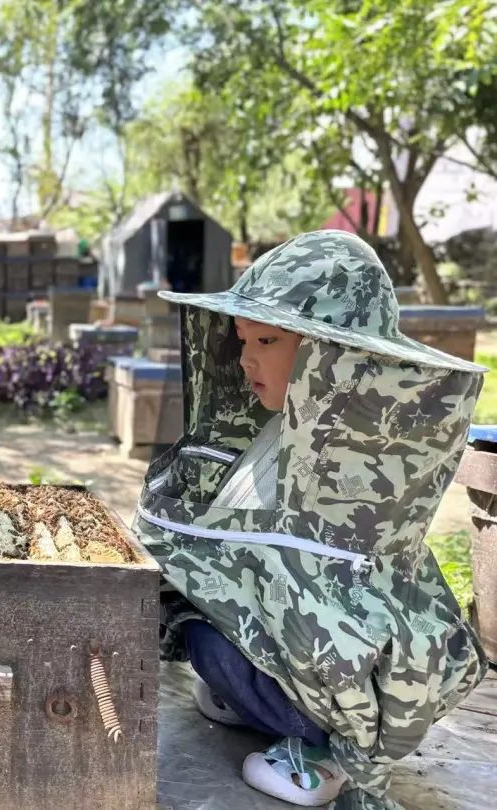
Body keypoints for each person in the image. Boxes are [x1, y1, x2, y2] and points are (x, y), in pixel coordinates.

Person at [136, 230, 487, 809]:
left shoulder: (349, 460)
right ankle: (266, 702)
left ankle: (323, 752)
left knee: (207, 641)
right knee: (202, 631)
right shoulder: (283, 427)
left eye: (268, 339)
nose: (246, 357)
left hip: (346, 682)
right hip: (312, 660)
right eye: (242, 339)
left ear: (338, 356)